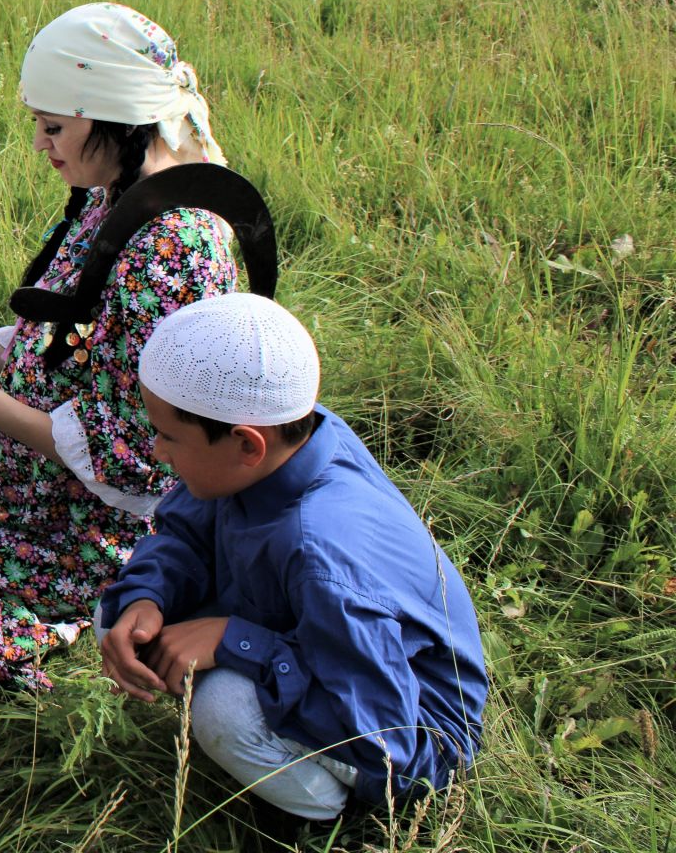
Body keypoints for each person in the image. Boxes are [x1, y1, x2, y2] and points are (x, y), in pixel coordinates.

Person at [0, 3, 252, 692]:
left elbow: (140, 458)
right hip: (21, 475)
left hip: (86, 520)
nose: (41, 144)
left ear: (115, 121)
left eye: (54, 127)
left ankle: (60, 620)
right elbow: (63, 345)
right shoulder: (115, 197)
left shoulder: (176, 249)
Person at [99, 294, 487, 824]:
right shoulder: (280, 441)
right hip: (323, 641)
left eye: (168, 436)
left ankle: (326, 812)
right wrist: (148, 595)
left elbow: (387, 741)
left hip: (404, 734)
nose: (158, 452)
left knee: (224, 710)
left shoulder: (323, 557)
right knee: (118, 614)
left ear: (246, 444)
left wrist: (236, 642)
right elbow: (186, 531)